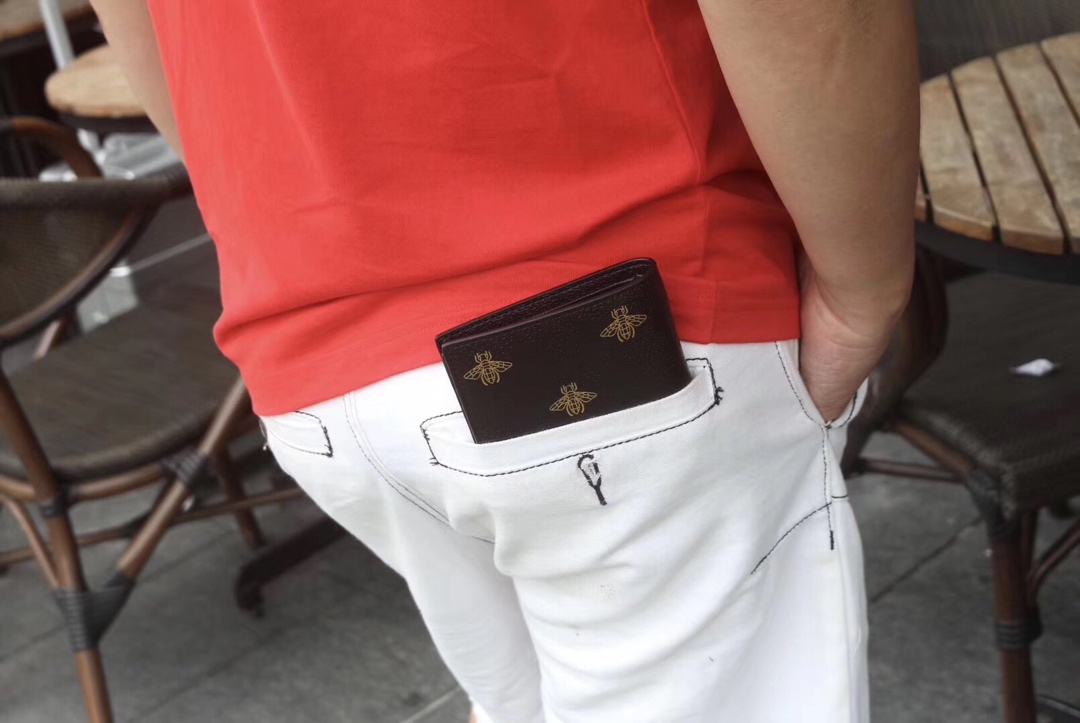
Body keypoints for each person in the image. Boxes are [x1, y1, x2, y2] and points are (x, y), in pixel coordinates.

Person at [91, 1, 918, 720]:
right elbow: (816, 20)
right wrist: (867, 287)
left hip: (314, 369)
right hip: (623, 305)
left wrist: (275, 229)